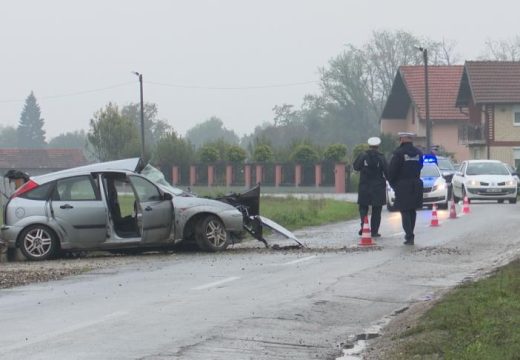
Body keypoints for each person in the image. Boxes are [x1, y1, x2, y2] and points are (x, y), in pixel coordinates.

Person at [388, 132, 423, 245]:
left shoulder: (398, 153)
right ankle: (410, 233)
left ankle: (409, 236)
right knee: (412, 210)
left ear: (402, 139)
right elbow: (421, 166)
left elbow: (392, 171)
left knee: (405, 210)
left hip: (403, 185)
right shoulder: (419, 153)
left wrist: (394, 184)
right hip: (416, 184)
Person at [353, 136, 389, 237]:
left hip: (365, 186)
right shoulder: (381, 157)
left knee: (363, 207)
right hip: (378, 187)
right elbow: (387, 171)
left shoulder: (362, 155)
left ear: (369, 146)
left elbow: (356, 167)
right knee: (377, 210)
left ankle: (364, 226)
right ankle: (374, 231)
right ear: (378, 146)